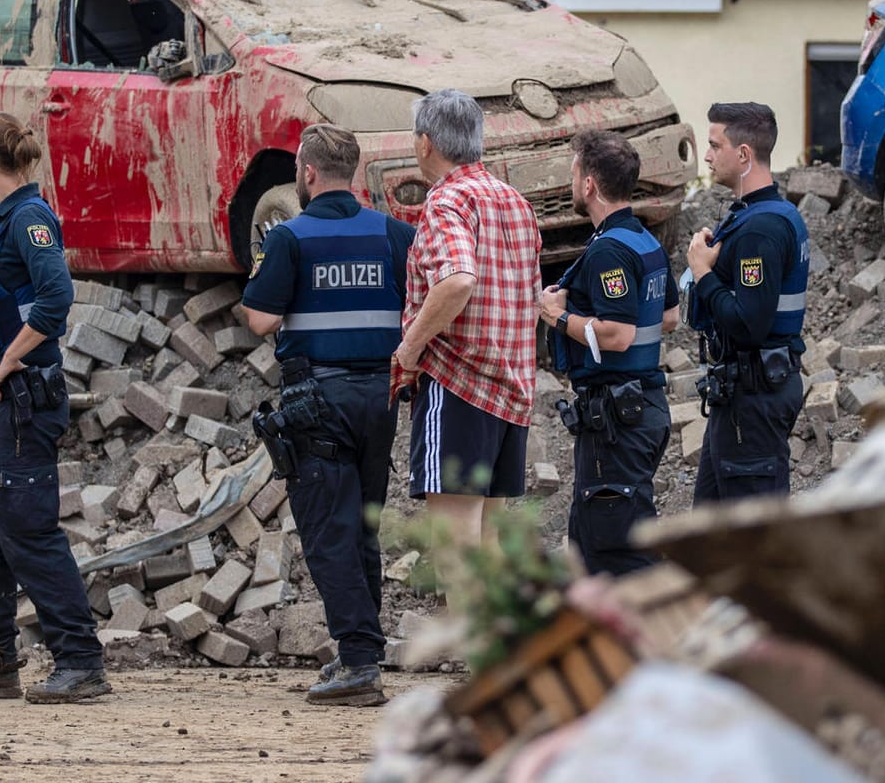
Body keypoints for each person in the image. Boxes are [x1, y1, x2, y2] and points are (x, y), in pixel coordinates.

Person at [0, 113, 110, 703]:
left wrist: (9, 360)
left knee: (28, 533)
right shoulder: (2, 222)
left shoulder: (30, 219)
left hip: (22, 401)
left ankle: (81, 661)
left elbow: (58, 296)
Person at [240, 124, 413, 708]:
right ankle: (360, 650)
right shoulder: (394, 234)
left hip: (319, 401)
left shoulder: (290, 237)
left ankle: (360, 662)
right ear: (356, 173)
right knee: (362, 525)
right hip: (381, 398)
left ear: (307, 174)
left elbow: (260, 321)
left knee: (327, 531)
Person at [392, 89, 541, 556]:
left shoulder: (446, 203)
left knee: (456, 551)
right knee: (487, 544)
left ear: (424, 143)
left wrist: (409, 348)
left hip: (458, 388)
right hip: (509, 393)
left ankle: (466, 631)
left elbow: (457, 280)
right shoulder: (514, 200)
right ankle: (496, 632)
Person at [538, 130, 678, 576]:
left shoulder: (610, 252)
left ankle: (652, 638)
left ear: (589, 185)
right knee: (593, 539)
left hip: (617, 419)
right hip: (639, 408)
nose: (571, 182)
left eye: (573, 171)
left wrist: (557, 317)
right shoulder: (645, 240)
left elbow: (617, 334)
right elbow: (670, 316)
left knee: (617, 548)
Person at [685, 102, 809, 504]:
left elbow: (749, 323)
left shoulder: (761, 228)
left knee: (753, 543)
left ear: (743, 155)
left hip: (753, 399)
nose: (706, 155)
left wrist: (702, 273)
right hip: (742, 398)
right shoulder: (766, 215)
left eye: (714, 145)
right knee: (709, 535)